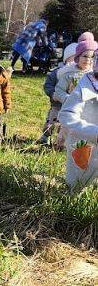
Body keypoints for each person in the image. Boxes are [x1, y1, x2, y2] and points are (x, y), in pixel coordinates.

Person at [58, 51, 98, 190]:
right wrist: (93, 132)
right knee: (77, 183)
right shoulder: (87, 85)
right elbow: (67, 115)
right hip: (85, 144)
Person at [39, 42, 78, 145]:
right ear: (66, 59)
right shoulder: (57, 72)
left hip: (70, 107)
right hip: (57, 105)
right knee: (51, 122)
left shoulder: (79, 75)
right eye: (73, 58)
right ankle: (45, 137)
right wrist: (52, 94)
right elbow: (48, 85)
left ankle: (60, 142)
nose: (75, 62)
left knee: (64, 125)